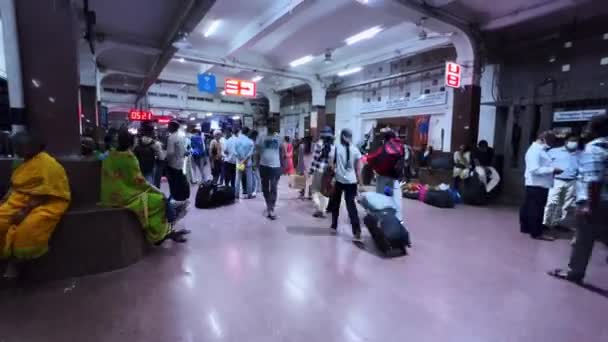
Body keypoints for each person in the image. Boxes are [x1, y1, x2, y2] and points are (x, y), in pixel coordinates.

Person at [0, 132, 71, 279]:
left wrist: (24, 212)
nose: (17, 149)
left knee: (27, 228)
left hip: (47, 200)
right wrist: (5, 199)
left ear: (32, 147)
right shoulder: (21, 162)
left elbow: (47, 192)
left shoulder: (49, 165)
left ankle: (15, 263)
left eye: (20, 146)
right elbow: (15, 185)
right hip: (20, 198)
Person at [100, 130, 188, 246]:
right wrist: (157, 191)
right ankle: (161, 233)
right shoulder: (129, 157)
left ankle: (169, 227)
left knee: (160, 200)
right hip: (125, 196)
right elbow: (139, 182)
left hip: (110, 195)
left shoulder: (110, 155)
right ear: (131, 143)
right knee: (160, 200)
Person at [550, 115, 608, 283]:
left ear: (595, 130)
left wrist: (589, 205)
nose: (585, 133)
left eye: (588, 129)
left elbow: (593, 180)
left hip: (595, 201)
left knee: (583, 240)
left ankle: (574, 273)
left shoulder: (592, 149)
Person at [520, 131, 562, 240]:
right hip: (538, 183)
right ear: (543, 139)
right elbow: (534, 169)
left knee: (529, 207)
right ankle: (536, 232)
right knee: (536, 209)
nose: (551, 144)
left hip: (537, 183)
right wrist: (552, 170)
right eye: (550, 141)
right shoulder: (535, 151)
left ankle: (527, 228)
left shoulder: (539, 150)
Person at [542, 134, 581, 229]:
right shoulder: (553, 151)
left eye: (576, 141)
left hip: (572, 181)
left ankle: (557, 223)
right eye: (572, 140)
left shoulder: (580, 154)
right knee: (552, 202)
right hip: (556, 180)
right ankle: (546, 224)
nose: (573, 143)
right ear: (566, 141)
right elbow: (545, 164)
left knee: (565, 205)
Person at [330, 129, 362, 240]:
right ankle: (357, 231)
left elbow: (331, 164)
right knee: (351, 206)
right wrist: (360, 183)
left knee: (336, 203)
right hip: (351, 182)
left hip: (339, 181)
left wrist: (335, 172)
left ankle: (334, 225)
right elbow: (358, 169)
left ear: (342, 137)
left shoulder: (336, 148)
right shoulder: (356, 150)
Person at [367, 128, 405, 221]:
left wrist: (367, 159)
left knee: (382, 198)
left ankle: (382, 218)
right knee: (393, 197)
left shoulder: (384, 147)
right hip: (395, 178)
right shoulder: (401, 147)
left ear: (385, 138)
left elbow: (372, 158)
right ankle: (397, 218)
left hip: (383, 178)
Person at [257, 127, 284, 220]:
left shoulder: (279, 137)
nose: (273, 125)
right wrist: (255, 163)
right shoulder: (261, 136)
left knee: (273, 187)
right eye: (271, 124)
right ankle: (268, 204)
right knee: (264, 187)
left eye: (274, 123)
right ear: (268, 125)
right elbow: (257, 151)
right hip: (263, 165)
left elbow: (281, 152)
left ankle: (271, 208)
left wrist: (282, 165)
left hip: (276, 166)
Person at [309, 127, 334, 218]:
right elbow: (332, 161)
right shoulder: (333, 147)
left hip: (318, 171)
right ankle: (322, 211)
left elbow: (315, 159)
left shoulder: (318, 145)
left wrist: (311, 170)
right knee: (324, 192)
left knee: (314, 190)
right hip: (327, 173)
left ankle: (318, 207)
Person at [165, 121, 190, 203]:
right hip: (180, 163)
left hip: (172, 164)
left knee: (172, 182)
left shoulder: (171, 137)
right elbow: (184, 150)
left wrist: (165, 160)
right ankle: (180, 197)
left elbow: (170, 153)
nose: (167, 127)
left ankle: (173, 197)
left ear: (172, 127)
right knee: (179, 181)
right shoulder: (181, 136)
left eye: (168, 126)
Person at [234, 127, 255, 199]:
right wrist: (245, 160)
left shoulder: (236, 141)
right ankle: (249, 194)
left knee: (238, 178)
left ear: (241, 132)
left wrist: (241, 160)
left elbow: (235, 152)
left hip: (239, 162)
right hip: (247, 163)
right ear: (248, 132)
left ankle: (236, 194)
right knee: (249, 178)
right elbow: (250, 154)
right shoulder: (250, 141)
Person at [223, 128, 238, 192]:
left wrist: (229, 153)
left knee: (227, 176)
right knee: (234, 177)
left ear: (229, 132)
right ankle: (233, 191)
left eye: (226, 133)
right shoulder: (237, 139)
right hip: (237, 162)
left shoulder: (228, 140)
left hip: (228, 161)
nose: (225, 134)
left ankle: (227, 189)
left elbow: (225, 151)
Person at [249, 130, 261, 198]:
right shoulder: (254, 143)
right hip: (254, 161)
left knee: (255, 176)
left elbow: (256, 154)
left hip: (254, 161)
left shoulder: (255, 143)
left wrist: (255, 162)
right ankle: (258, 188)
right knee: (256, 176)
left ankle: (256, 189)